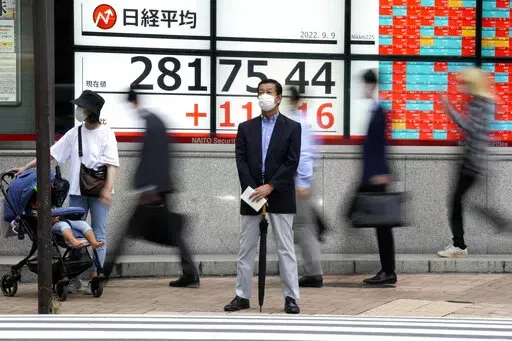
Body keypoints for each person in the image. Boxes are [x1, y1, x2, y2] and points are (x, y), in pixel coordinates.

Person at [11, 90, 119, 293]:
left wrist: (107, 189)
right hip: (78, 191)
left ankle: (96, 276)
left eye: (81, 107)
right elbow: (51, 154)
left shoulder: (107, 133)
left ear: (89, 111)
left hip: (99, 192)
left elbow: (112, 165)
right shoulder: (75, 132)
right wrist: (26, 167)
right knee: (75, 232)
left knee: (98, 233)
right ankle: (73, 277)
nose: (78, 111)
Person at [224, 79, 302, 314]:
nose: (263, 96)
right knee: (246, 248)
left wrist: (271, 187)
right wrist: (254, 190)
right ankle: (242, 295)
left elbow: (292, 162)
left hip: (280, 194)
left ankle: (291, 297)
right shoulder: (246, 127)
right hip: (252, 195)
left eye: (268, 92)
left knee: (285, 249)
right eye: (260, 92)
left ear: (279, 98)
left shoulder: (292, 127)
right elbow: (241, 162)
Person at [126, 89, 199, 287]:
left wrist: (149, 186)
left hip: (156, 188)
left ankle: (105, 272)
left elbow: (154, 157)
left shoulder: (152, 123)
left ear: (134, 103)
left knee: (133, 229)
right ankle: (190, 273)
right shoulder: (154, 122)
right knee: (165, 230)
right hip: (158, 186)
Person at [437, 67, 494, 258]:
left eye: (466, 84)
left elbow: (471, 128)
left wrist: (449, 109)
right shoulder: (479, 103)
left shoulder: (482, 104)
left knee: (456, 201)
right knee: (459, 201)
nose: (463, 88)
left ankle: (459, 245)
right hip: (471, 161)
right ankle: (459, 244)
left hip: (472, 163)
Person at [346, 69, 397, 285]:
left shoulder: (380, 111)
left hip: (375, 176)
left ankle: (388, 271)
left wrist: (384, 173)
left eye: (367, 85)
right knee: (378, 223)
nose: (364, 89)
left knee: (382, 225)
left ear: (372, 85)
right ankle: (388, 270)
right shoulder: (374, 110)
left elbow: (382, 145)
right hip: (370, 175)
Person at [287, 87, 324, 288]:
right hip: (302, 179)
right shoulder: (304, 120)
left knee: (303, 225)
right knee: (303, 225)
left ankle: (314, 272)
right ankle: (312, 270)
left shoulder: (299, 122)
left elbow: (305, 154)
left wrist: (301, 183)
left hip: (301, 179)